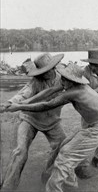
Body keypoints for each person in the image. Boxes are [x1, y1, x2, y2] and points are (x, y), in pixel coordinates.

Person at [2, 63, 98, 192]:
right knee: (62, 146)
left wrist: (19, 107)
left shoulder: (74, 92)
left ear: (72, 81)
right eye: (62, 78)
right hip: (91, 125)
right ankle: (70, 186)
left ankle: (54, 188)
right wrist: (21, 102)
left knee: (65, 155)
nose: (62, 81)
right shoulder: (70, 84)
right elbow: (48, 91)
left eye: (65, 79)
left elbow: (47, 105)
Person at [0, 53, 66, 190]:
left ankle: (48, 173)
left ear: (53, 68)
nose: (45, 74)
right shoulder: (36, 81)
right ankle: (8, 187)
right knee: (20, 151)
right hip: (30, 119)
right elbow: (24, 93)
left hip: (52, 120)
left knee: (62, 146)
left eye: (48, 70)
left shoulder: (63, 80)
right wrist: (9, 102)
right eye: (42, 71)